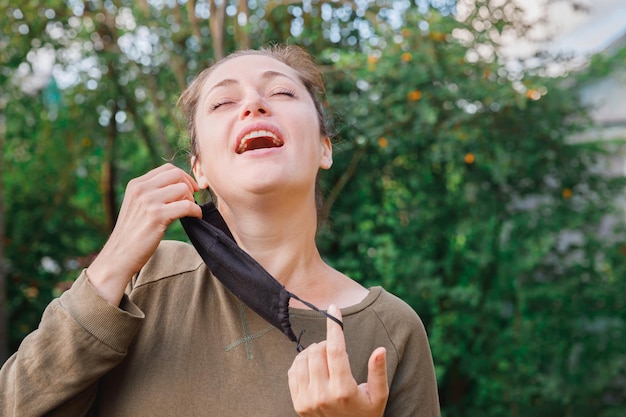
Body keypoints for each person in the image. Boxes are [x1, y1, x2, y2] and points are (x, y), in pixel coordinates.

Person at [0, 45, 440, 416]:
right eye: (223, 102)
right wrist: (112, 261)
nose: (254, 104)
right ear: (200, 167)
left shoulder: (391, 330)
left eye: (282, 92)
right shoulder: (145, 279)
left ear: (325, 148)